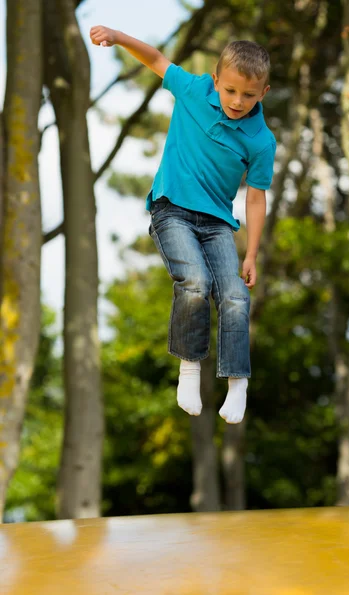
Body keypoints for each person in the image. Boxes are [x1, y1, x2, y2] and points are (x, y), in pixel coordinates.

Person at [90, 25, 276, 424]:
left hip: (218, 225)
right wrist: (118, 38)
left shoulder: (261, 140)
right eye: (229, 90)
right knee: (194, 281)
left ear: (263, 92)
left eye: (247, 94)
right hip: (170, 209)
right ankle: (189, 368)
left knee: (235, 296)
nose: (237, 101)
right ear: (215, 81)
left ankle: (237, 381)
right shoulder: (193, 90)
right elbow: (157, 60)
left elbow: (256, 198)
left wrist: (253, 252)